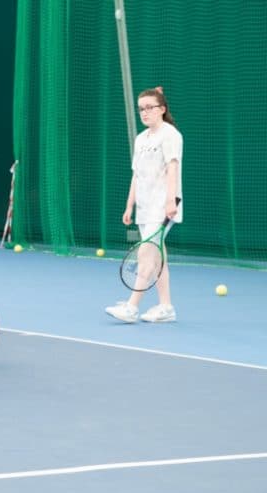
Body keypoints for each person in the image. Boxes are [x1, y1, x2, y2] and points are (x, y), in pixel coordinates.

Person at [105, 86, 183, 323]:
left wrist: (171, 200)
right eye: (141, 109)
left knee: (146, 255)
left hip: (164, 206)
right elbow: (136, 176)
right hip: (145, 207)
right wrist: (129, 206)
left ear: (162, 109)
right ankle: (166, 307)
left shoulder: (170, 135)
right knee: (158, 259)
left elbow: (172, 168)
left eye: (149, 108)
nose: (144, 112)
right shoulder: (141, 139)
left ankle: (132, 307)